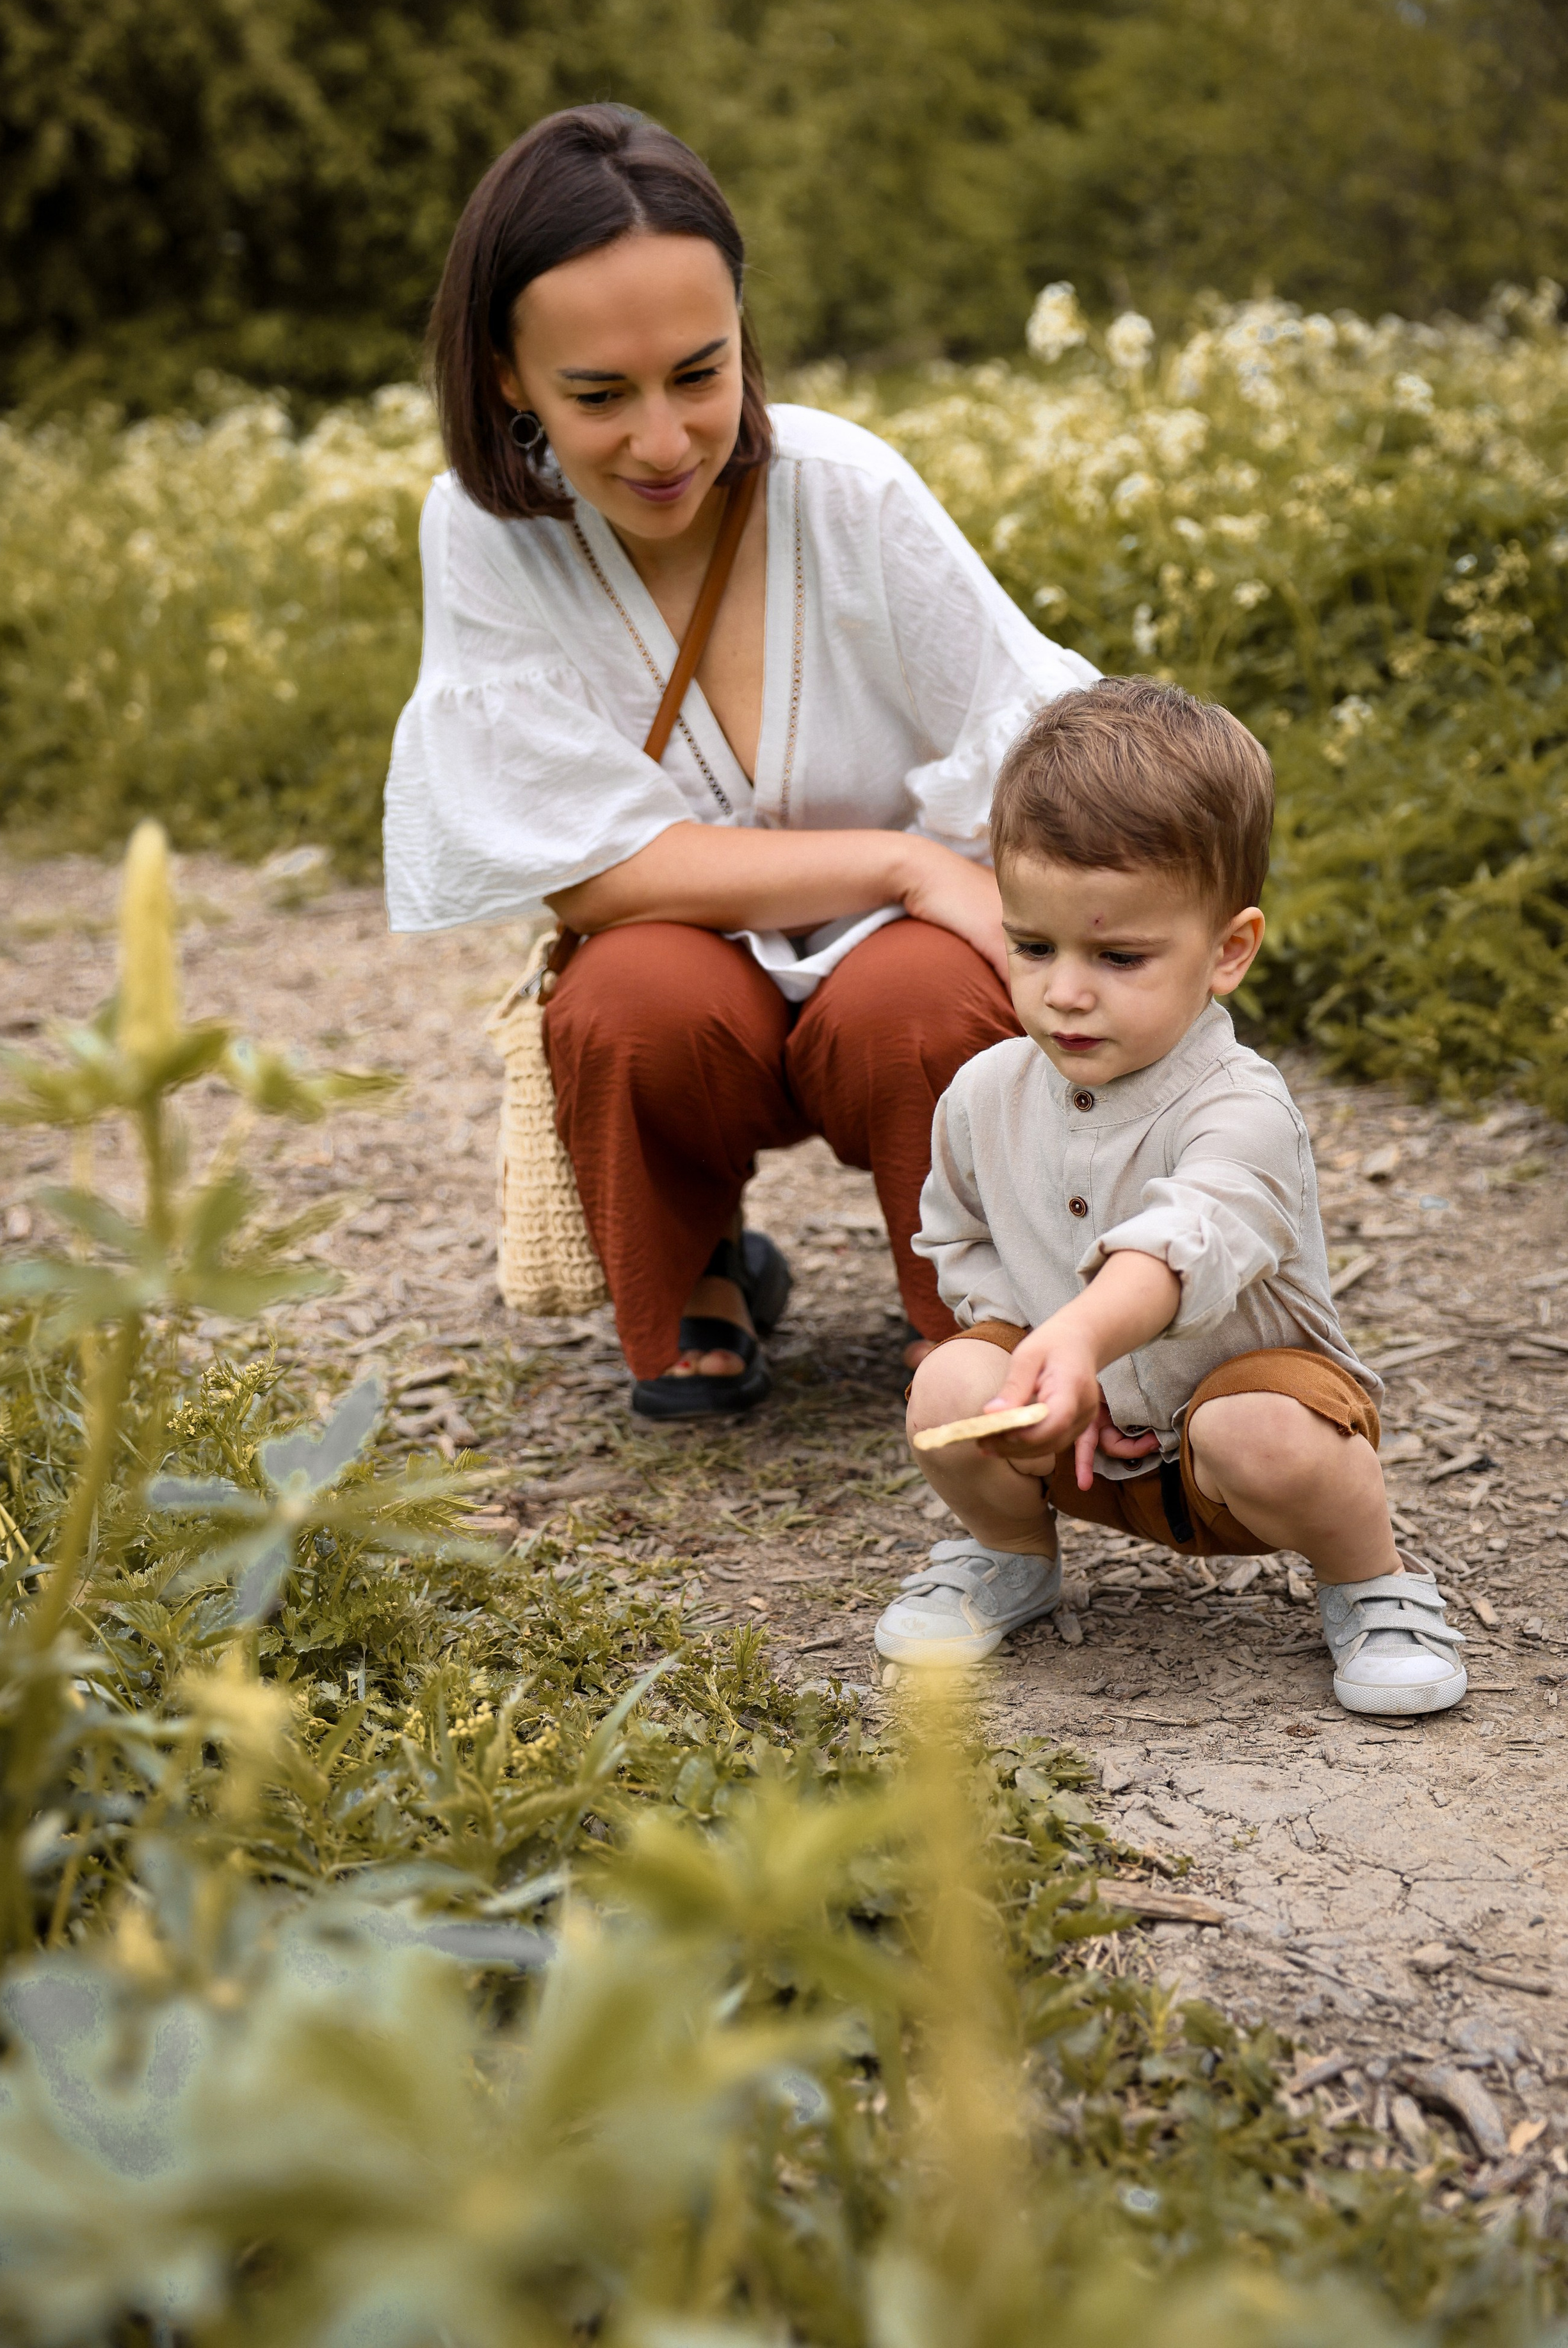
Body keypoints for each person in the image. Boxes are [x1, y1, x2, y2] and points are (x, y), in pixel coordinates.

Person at [384, 103, 1096, 1416]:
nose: (662, 444)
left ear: (740, 336)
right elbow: (586, 874)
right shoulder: (481, 534)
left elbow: (1039, 747)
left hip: (895, 975)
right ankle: (698, 1276)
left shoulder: (848, 490)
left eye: (698, 375)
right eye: (598, 395)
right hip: (693, 975)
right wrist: (898, 856)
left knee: (924, 998)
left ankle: (972, 1302)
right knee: (623, 999)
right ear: (504, 376)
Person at [878, 678, 1466, 1719]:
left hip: (1231, 1427)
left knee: (1267, 1436)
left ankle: (1372, 1582)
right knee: (947, 1388)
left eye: (1119, 956)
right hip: (1078, 1435)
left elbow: (1189, 1237)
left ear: (1228, 950)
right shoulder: (984, 1095)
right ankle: (1011, 1557)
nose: (1065, 990)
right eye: (1033, 945)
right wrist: (1021, 1350)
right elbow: (957, 1236)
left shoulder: (1240, 1107)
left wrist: (1083, 1335)